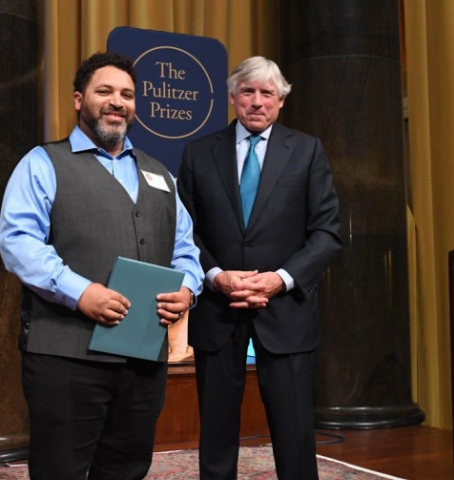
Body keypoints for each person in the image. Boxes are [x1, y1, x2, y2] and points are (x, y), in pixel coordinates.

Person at [0, 51, 204, 480]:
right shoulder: (42, 163)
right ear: (79, 100)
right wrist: (80, 291)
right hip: (66, 355)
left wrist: (188, 289)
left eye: (127, 94)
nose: (117, 102)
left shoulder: (162, 175)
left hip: (143, 357)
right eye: (105, 91)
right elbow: (18, 241)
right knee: (62, 469)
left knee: (127, 468)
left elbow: (185, 248)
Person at [177, 56, 341, 480]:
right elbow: (183, 232)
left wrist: (279, 280)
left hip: (286, 312)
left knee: (295, 431)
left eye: (267, 93)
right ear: (232, 98)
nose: (256, 102)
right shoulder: (198, 153)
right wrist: (216, 276)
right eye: (247, 92)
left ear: (281, 101)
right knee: (216, 431)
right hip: (218, 311)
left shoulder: (307, 150)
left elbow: (326, 233)